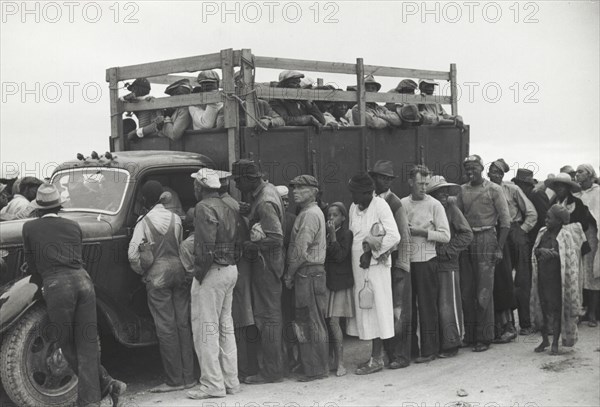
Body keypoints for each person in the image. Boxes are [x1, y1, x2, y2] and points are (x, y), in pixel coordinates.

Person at [22, 183, 126, 406]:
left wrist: (41, 283)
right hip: (83, 281)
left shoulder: (30, 228)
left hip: (58, 286)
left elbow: (31, 263)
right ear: (58, 207)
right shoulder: (73, 226)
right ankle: (103, 389)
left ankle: (98, 394)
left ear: (38, 209)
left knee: (65, 343)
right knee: (87, 343)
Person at [127, 181, 195, 393]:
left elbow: (132, 254)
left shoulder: (143, 222)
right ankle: (190, 377)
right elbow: (181, 244)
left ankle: (174, 380)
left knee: (166, 327)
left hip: (158, 276)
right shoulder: (175, 218)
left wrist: (142, 272)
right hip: (179, 271)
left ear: (145, 199)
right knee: (183, 324)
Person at [186, 168, 240, 399]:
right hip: (230, 269)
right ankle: (230, 382)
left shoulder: (203, 207)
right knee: (225, 328)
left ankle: (212, 385)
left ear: (200, 186)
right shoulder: (228, 205)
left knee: (206, 330)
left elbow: (205, 246)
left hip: (213, 271)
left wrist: (198, 274)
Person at [232, 159, 286, 384]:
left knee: (268, 319)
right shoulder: (266, 191)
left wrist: (251, 246)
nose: (236, 185)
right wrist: (249, 211)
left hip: (266, 267)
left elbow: (276, 237)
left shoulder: (264, 202)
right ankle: (274, 368)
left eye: (238, 180)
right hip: (269, 266)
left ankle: (272, 373)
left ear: (248, 179)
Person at [346, 173, 400, 375]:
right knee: (366, 309)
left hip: (376, 267)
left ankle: (377, 359)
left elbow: (394, 236)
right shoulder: (353, 207)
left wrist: (371, 253)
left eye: (355, 193)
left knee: (377, 310)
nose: (352, 196)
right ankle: (375, 356)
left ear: (367, 193)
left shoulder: (380, 205)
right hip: (358, 268)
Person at [456, 155, 511, 352]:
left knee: (484, 291)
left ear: (481, 168)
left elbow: (505, 222)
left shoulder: (494, 190)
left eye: (474, 168)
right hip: (468, 240)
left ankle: (484, 337)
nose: (470, 172)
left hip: (487, 238)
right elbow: (459, 217)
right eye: (467, 168)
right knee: (466, 290)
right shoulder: (462, 190)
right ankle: (469, 335)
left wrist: (499, 248)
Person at [401, 166, 451, 363]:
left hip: (427, 261)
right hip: (407, 262)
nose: (423, 187)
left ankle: (429, 350)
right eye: (420, 183)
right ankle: (410, 349)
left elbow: (446, 236)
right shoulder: (402, 203)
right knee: (408, 308)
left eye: (426, 184)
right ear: (410, 182)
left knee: (427, 307)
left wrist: (422, 233)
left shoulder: (435, 205)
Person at [283, 175, 328, 382]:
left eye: (301, 187)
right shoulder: (309, 212)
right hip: (310, 272)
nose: (295, 191)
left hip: (308, 273)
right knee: (307, 320)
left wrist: (290, 274)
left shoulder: (309, 214)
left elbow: (301, 250)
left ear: (313, 191)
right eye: (294, 187)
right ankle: (312, 366)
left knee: (311, 321)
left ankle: (316, 369)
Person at [368, 160, 412, 369]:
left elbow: (403, 235)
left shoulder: (394, 203)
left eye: (386, 178)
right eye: (379, 177)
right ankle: (387, 354)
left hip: (395, 264)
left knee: (397, 310)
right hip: (381, 264)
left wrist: (402, 265)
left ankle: (401, 356)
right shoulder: (373, 201)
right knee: (384, 309)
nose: (382, 181)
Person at [488, 158, 538, 338]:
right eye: (492, 171)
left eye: (498, 172)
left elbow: (531, 213)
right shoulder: (486, 189)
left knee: (522, 280)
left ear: (503, 175)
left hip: (515, 232)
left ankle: (525, 323)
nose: (494, 175)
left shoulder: (512, 189)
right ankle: (504, 325)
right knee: (502, 279)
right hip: (496, 233)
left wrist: (520, 231)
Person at [427, 176, 473, 358]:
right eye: (439, 192)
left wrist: (448, 250)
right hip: (430, 262)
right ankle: (439, 343)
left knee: (448, 303)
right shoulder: (429, 209)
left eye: (446, 191)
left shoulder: (451, 209)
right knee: (434, 304)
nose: (444, 194)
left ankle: (452, 343)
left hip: (448, 263)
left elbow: (467, 234)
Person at [530, 205, 581, 354]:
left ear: (559, 221)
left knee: (557, 310)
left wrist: (554, 254)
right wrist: (541, 251)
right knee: (543, 309)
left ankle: (555, 342)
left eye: (549, 218)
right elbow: (535, 250)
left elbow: (569, 257)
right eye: (545, 217)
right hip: (543, 277)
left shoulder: (566, 236)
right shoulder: (542, 233)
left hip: (557, 280)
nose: (546, 220)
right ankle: (545, 339)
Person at [324, 202, 354, 377]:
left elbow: (341, 256)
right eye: (329, 215)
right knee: (328, 323)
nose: (331, 219)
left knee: (334, 323)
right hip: (328, 283)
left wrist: (333, 238)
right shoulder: (327, 234)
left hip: (340, 284)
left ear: (343, 217)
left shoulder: (345, 234)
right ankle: (331, 361)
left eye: (335, 215)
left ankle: (341, 363)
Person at [276, 184, 300, 373]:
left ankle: (293, 357)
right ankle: (288, 356)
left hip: (287, 276)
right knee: (285, 317)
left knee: (289, 317)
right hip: (281, 276)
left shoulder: (291, 220)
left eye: (285, 201)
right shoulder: (289, 219)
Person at [217, 71, 285, 129]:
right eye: (239, 82)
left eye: (249, 81)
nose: (243, 84)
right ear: (236, 85)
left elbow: (280, 121)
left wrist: (268, 121)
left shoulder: (262, 104)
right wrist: (249, 121)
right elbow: (220, 123)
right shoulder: (230, 105)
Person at [575, 164, 600, 326]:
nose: (577, 175)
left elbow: (597, 215)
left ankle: (592, 313)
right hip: (578, 235)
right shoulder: (576, 193)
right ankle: (582, 310)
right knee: (580, 273)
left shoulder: (598, 193)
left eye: (580, 172)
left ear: (590, 175)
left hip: (592, 235)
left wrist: (587, 214)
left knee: (592, 274)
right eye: (576, 172)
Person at [512, 168, 550, 246]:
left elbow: (544, 218)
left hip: (536, 236)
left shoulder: (537, 194)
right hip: (528, 236)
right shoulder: (523, 195)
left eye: (518, 183)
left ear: (523, 184)